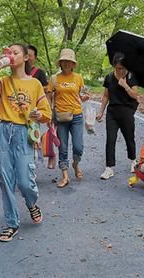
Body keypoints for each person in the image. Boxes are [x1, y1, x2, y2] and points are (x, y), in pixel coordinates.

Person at [0, 43, 52, 242]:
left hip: (24, 132)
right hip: (4, 131)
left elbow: (46, 114)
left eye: (15, 52)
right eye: (9, 52)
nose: (11, 55)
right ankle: (12, 222)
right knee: (5, 179)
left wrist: (38, 114)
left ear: (25, 58)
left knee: (24, 181)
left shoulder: (35, 84)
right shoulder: (3, 81)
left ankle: (31, 203)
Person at [48, 48, 89, 188]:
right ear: (60, 63)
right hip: (60, 116)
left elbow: (81, 96)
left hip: (76, 115)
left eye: (69, 61)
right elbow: (49, 97)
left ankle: (75, 164)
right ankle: (65, 176)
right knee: (63, 148)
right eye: (64, 61)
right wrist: (48, 113)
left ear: (73, 64)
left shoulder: (78, 78)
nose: (66, 63)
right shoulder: (54, 79)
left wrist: (85, 97)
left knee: (78, 147)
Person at [96, 52, 140, 180]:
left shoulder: (132, 77)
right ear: (114, 66)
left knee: (129, 138)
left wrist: (125, 85)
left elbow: (135, 95)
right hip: (112, 112)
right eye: (118, 68)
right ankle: (109, 168)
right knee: (110, 139)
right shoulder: (109, 77)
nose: (121, 70)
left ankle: (133, 160)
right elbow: (105, 96)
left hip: (126, 111)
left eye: (123, 68)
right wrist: (101, 112)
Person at [26, 45, 55, 169]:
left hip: (35, 113)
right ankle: (25, 165)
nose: (27, 58)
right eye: (25, 55)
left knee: (32, 138)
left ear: (35, 58)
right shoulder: (17, 72)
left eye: (30, 56)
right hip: (19, 112)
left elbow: (47, 92)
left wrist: (49, 113)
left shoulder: (39, 73)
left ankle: (31, 165)